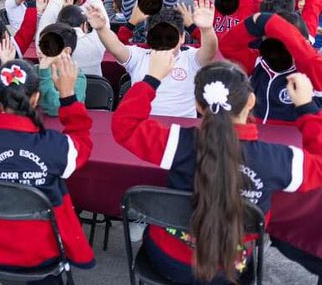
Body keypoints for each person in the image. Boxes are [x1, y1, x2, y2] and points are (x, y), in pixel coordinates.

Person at [112, 56, 322, 284]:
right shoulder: (277, 160)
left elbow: (124, 126)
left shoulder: (178, 144)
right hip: (230, 271)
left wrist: (152, 79)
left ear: (198, 106)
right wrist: (307, 107)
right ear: (251, 101)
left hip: (168, 260)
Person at [0, 55, 95, 282]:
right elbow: (82, 140)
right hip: (38, 252)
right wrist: (69, 98)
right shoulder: (57, 147)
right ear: (36, 99)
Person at [86, 0, 218, 118]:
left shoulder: (190, 58)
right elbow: (115, 47)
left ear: (182, 37)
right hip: (144, 129)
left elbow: (210, 50)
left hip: (180, 130)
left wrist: (207, 29)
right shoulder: (138, 56)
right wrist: (101, 29)